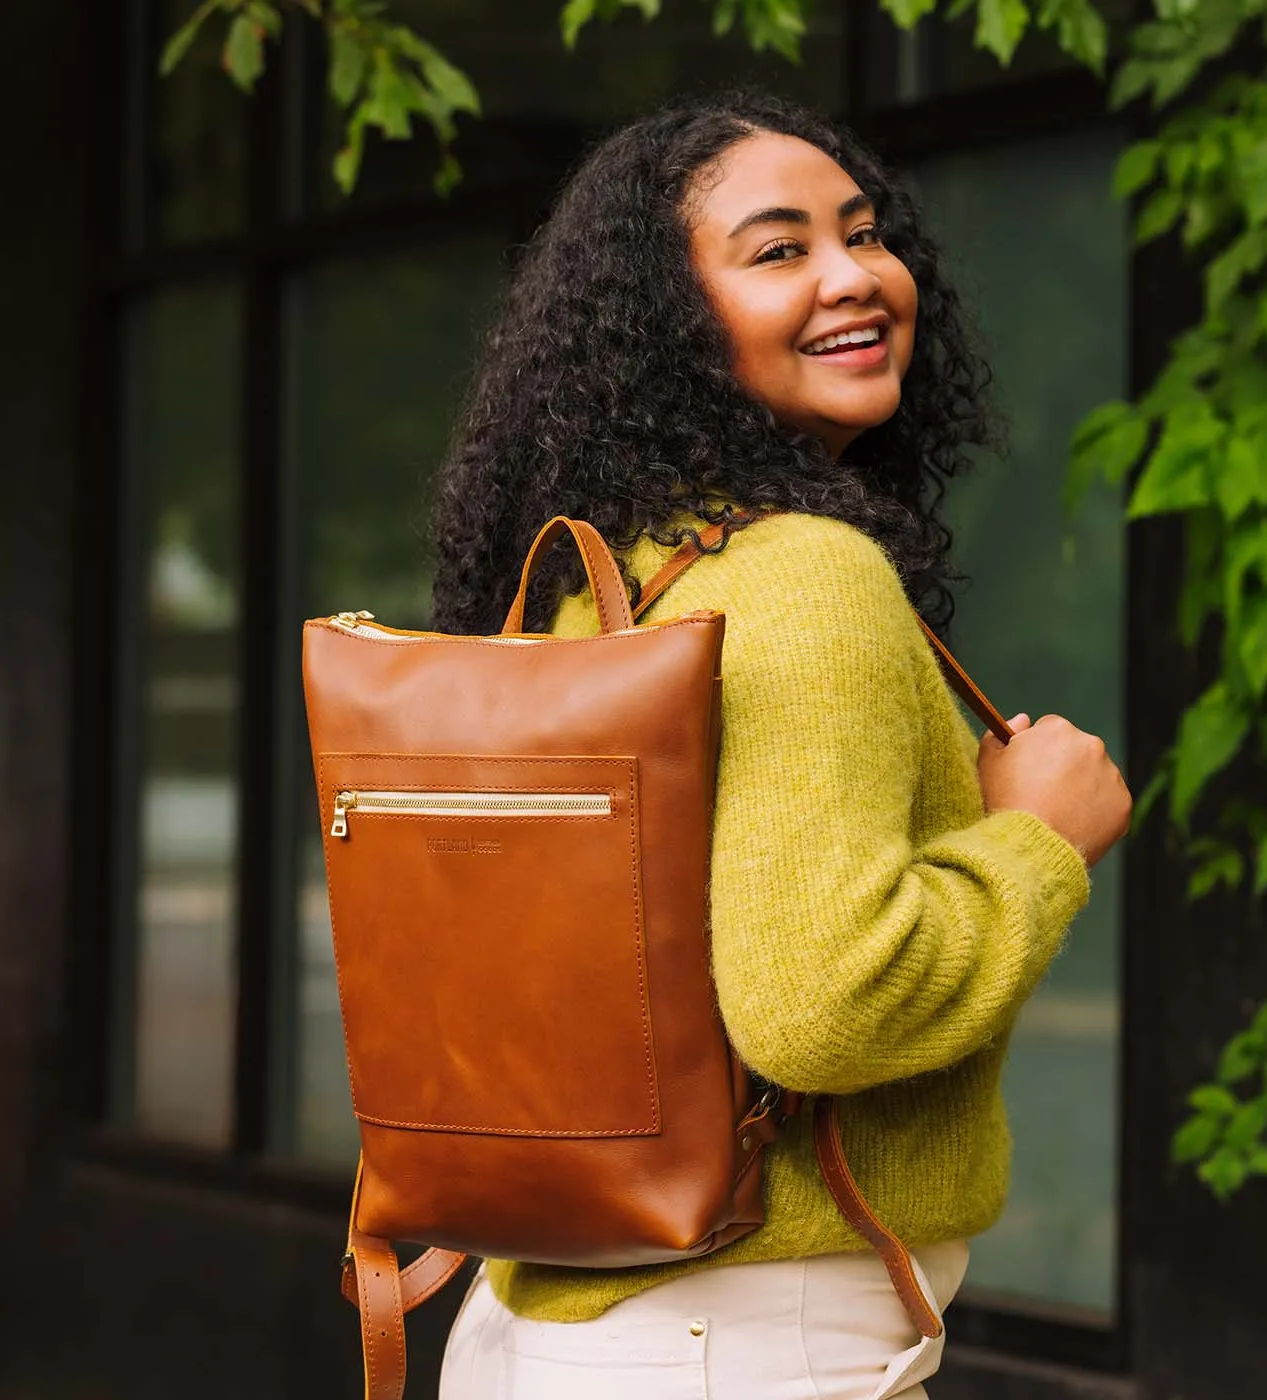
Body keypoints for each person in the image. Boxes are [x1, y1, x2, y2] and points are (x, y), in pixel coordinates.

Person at [430, 88, 1132, 1400]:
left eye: (864, 234)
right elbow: (825, 1005)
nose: (855, 276)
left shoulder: (598, 581)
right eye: (778, 250)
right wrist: (1039, 841)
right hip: (750, 1343)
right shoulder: (801, 572)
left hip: (551, 1327)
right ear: (666, 324)